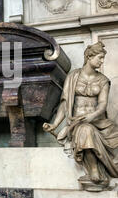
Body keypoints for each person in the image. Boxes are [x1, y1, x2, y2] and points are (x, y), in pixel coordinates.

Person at [43, 42, 118, 190]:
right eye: (100, 57)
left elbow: (102, 105)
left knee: (101, 131)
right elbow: (65, 104)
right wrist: (55, 125)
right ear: (89, 57)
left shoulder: (103, 80)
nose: (102, 61)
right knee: (85, 130)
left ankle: (105, 166)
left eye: (103, 58)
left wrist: (93, 116)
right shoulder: (73, 76)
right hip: (77, 122)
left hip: (98, 121)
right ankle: (93, 169)